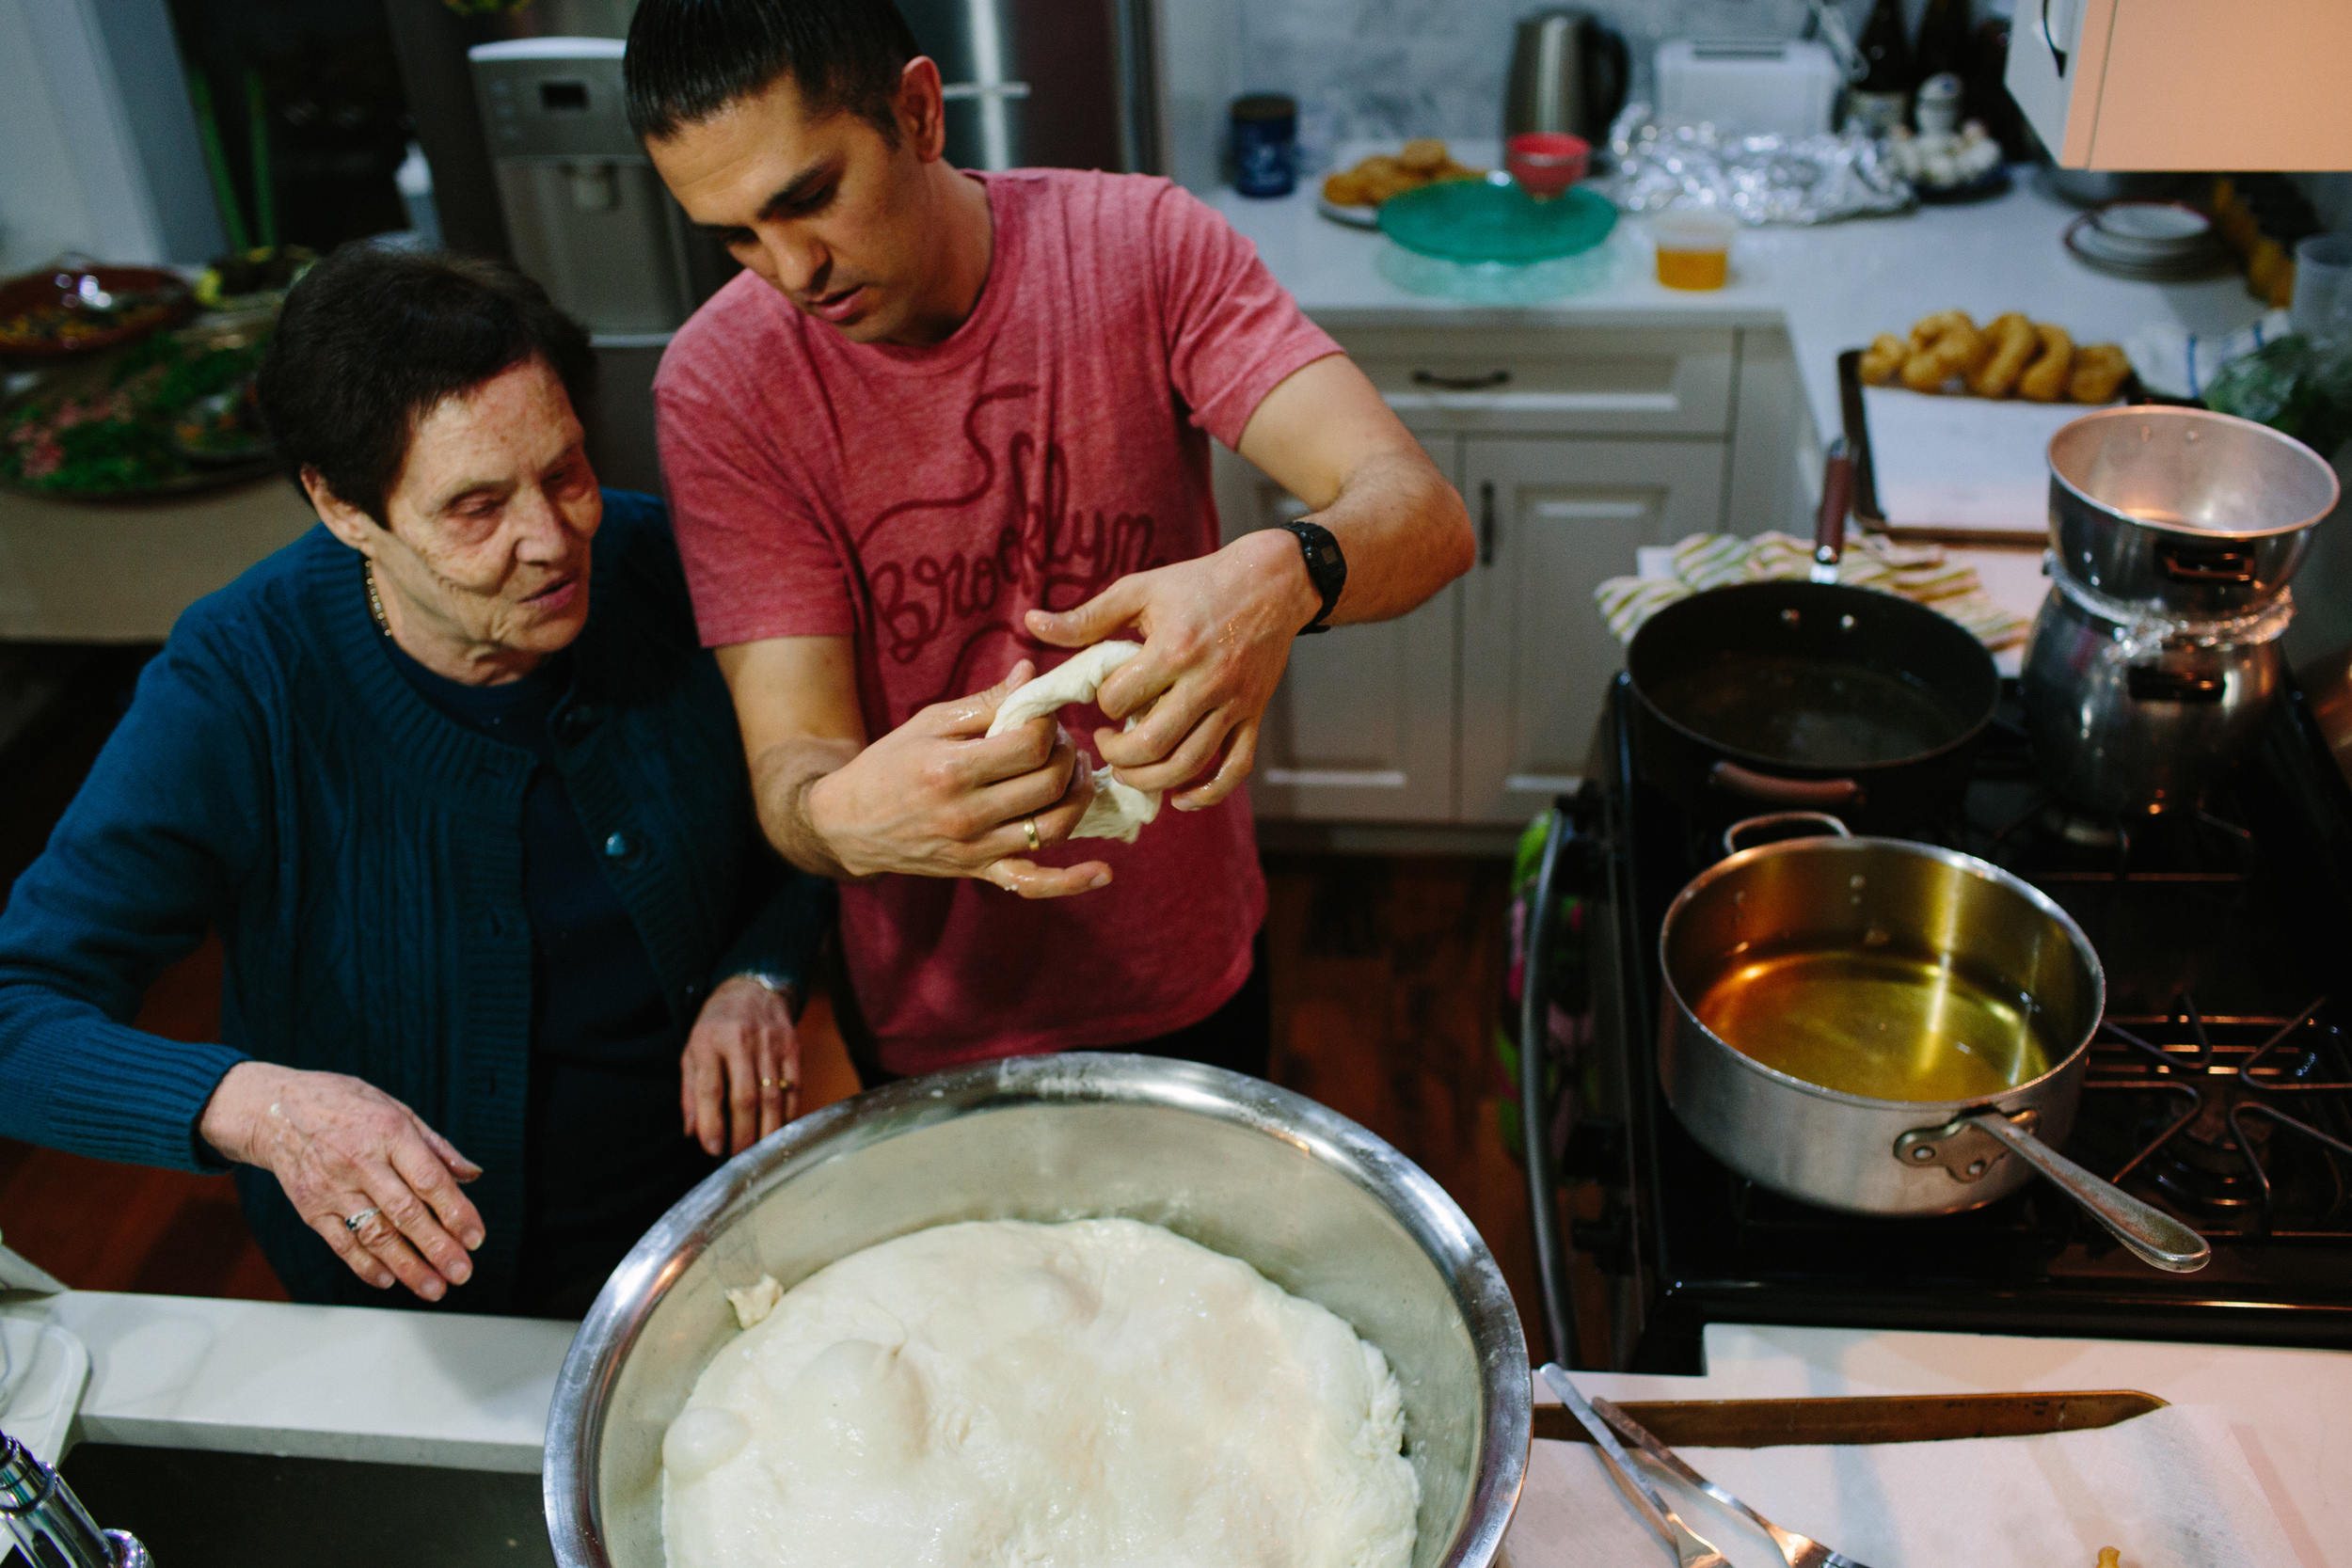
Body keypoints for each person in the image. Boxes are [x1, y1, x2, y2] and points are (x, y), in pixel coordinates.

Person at [626, 0, 1474, 1084]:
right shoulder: (721, 387)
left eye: (809, 198)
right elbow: (795, 758)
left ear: (918, 112)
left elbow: (1421, 512)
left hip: (1182, 963)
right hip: (935, 1008)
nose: (793, 271)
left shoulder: (1138, 247)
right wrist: (837, 821)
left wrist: (1286, 572)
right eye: (736, 235)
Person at [0, 247, 832, 1317]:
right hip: (412, 1290)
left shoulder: (660, 564)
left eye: (565, 471)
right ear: (341, 506)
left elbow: (811, 813)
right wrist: (261, 1108)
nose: (552, 540)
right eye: (476, 508)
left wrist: (761, 968)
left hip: (702, 1225)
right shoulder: (240, 685)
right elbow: (16, 1013)